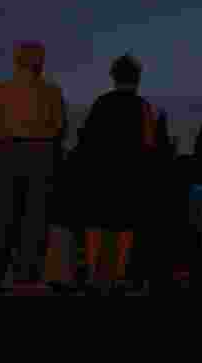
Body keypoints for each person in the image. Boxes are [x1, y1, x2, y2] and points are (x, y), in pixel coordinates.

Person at [0, 41, 67, 294]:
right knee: (35, 219)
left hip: (8, 152)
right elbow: (60, 128)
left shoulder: (0, 90)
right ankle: (26, 278)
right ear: (39, 62)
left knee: (3, 218)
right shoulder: (51, 91)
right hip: (42, 153)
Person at [73, 53, 158, 294]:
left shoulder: (101, 103)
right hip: (129, 173)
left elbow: (86, 139)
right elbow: (150, 144)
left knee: (96, 223)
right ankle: (120, 276)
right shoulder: (142, 107)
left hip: (100, 173)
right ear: (137, 78)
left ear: (113, 77)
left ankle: (91, 275)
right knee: (125, 225)